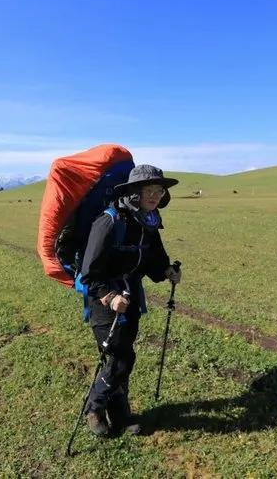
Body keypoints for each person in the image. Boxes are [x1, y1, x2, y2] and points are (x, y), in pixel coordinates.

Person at [79, 164, 183, 437]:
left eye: (159, 190)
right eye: (149, 190)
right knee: (120, 357)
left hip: (131, 296)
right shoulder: (109, 222)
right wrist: (109, 296)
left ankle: (120, 415)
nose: (155, 195)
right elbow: (89, 273)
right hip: (104, 300)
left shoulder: (148, 221)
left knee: (122, 354)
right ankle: (94, 407)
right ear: (134, 192)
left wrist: (167, 271)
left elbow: (154, 260)